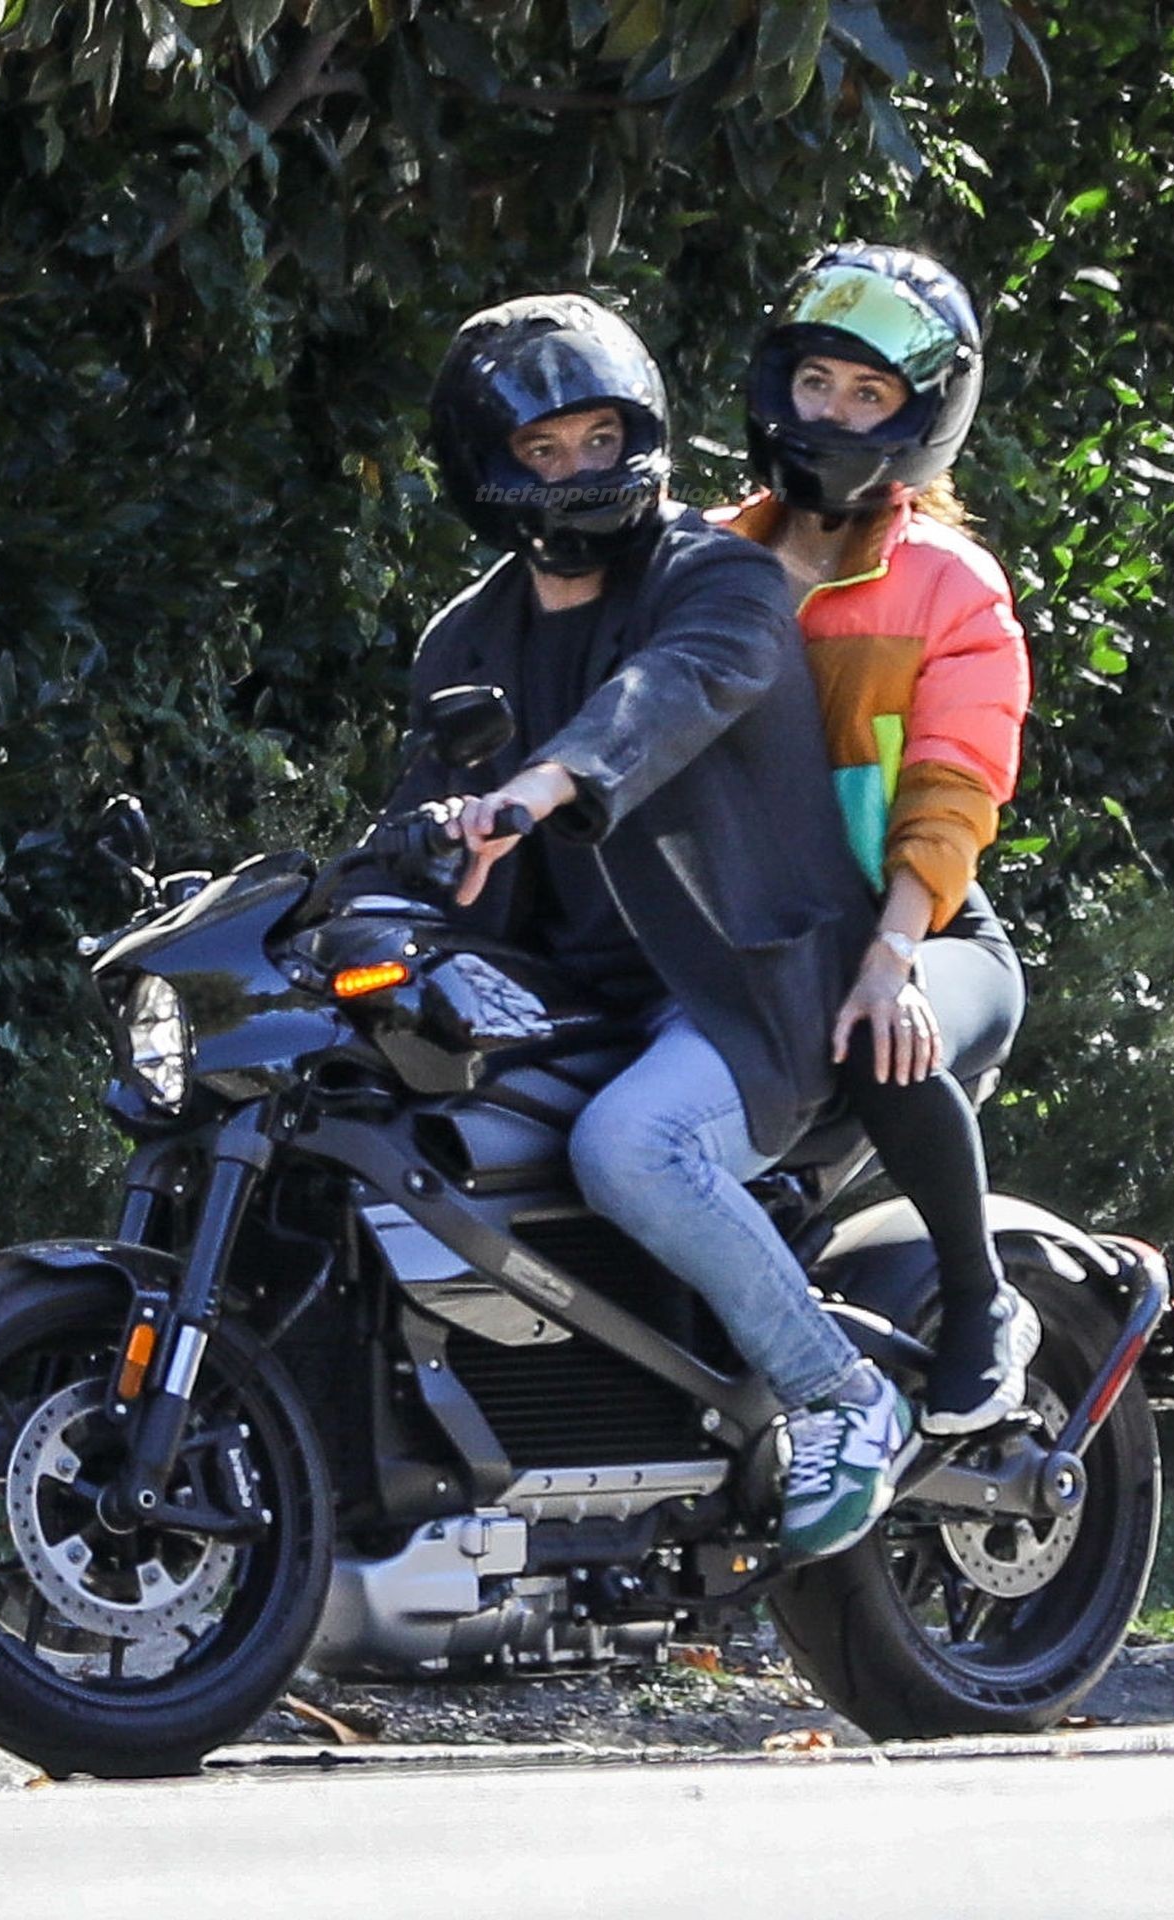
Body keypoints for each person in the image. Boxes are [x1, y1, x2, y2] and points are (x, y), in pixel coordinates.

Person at [380, 291, 915, 1559]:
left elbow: (663, 693)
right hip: (565, 1004)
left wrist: (538, 787)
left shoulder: (718, 577)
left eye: (600, 437)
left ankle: (843, 1395)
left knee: (632, 1147)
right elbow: (417, 817)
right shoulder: (469, 635)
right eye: (542, 448)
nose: (579, 466)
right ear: (487, 467)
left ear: (644, 437)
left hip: (741, 993)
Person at [716, 240, 1035, 1435]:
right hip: (759, 932)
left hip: (924, 923)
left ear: (921, 417)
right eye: (816, 382)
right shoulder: (702, 559)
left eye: (868, 392)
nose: (831, 412)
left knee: (875, 1039)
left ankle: (980, 1298)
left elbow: (954, 788)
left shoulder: (949, 582)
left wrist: (893, 955)